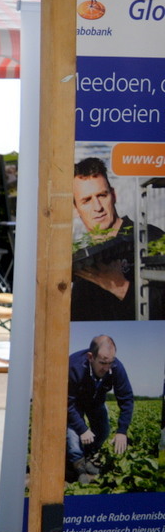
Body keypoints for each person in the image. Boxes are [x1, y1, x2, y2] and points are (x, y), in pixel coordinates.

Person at [70, 157, 164, 321]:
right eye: (86, 200)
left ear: (113, 195)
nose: (98, 207)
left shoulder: (151, 237)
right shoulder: (82, 261)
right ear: (75, 208)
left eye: (102, 195)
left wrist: (120, 286)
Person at [66, 335, 134, 483]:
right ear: (91, 357)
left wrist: (122, 431)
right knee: (73, 436)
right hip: (74, 403)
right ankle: (78, 468)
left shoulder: (116, 367)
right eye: (102, 363)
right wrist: (82, 429)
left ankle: (88, 457)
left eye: (110, 362)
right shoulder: (73, 366)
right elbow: (67, 402)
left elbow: (126, 399)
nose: (107, 368)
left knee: (103, 432)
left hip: (96, 402)